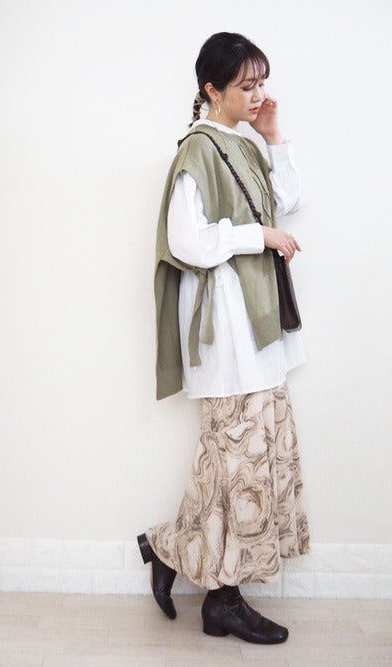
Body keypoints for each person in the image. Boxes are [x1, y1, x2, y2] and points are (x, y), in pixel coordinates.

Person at [137, 31, 310, 645]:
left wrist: (274, 135)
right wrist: (255, 237)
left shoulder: (245, 144)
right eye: (246, 85)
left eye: (262, 82)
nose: (258, 94)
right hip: (226, 330)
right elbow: (187, 240)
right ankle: (221, 597)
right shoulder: (198, 150)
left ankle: (177, 559)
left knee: (241, 460)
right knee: (238, 465)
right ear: (212, 89)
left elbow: (287, 200)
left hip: (255, 324)